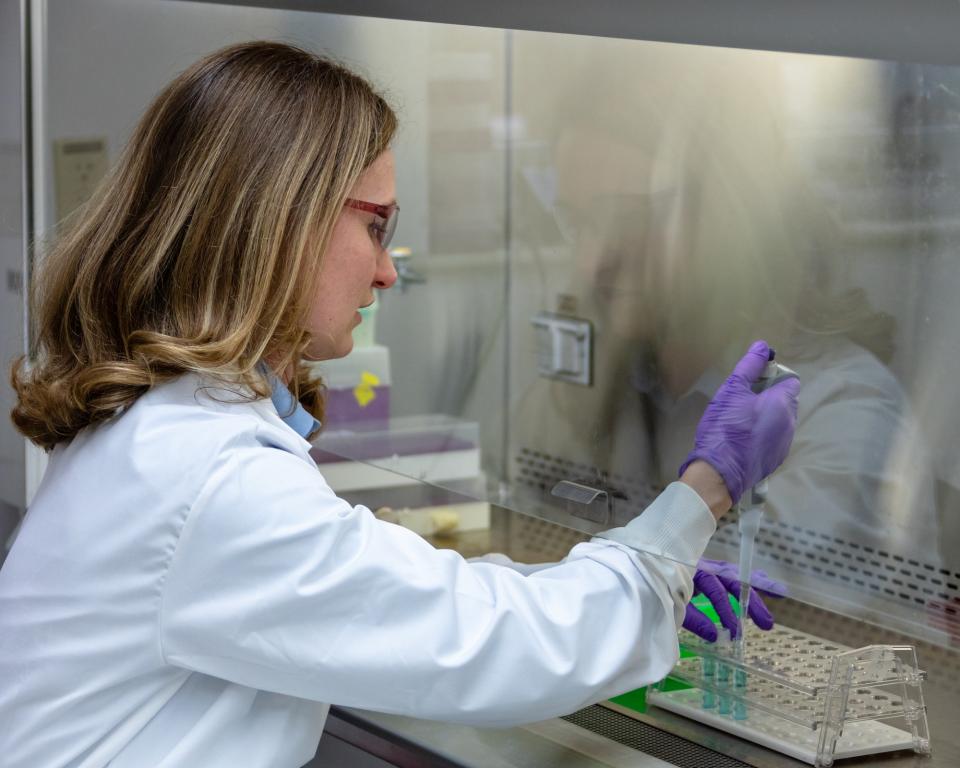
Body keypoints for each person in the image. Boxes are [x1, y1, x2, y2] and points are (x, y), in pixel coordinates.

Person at [0, 42, 798, 767]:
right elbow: (491, 644)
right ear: (279, 221)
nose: (386, 272)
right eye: (376, 227)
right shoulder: (210, 478)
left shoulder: (167, 429)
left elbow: (401, 592)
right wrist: (701, 496)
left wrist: (648, 573)